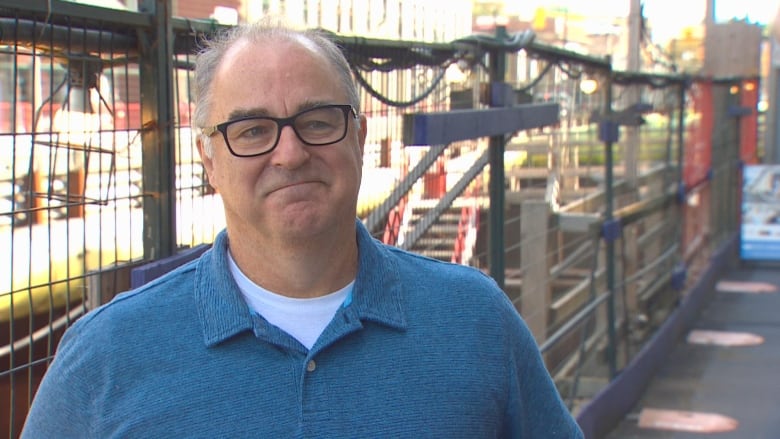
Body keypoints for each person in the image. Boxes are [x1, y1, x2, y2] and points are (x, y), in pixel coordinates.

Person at [22, 20, 583, 438]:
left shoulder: (474, 320)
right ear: (208, 160)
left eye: (317, 121)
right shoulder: (108, 355)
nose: (289, 153)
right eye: (251, 129)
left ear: (358, 138)